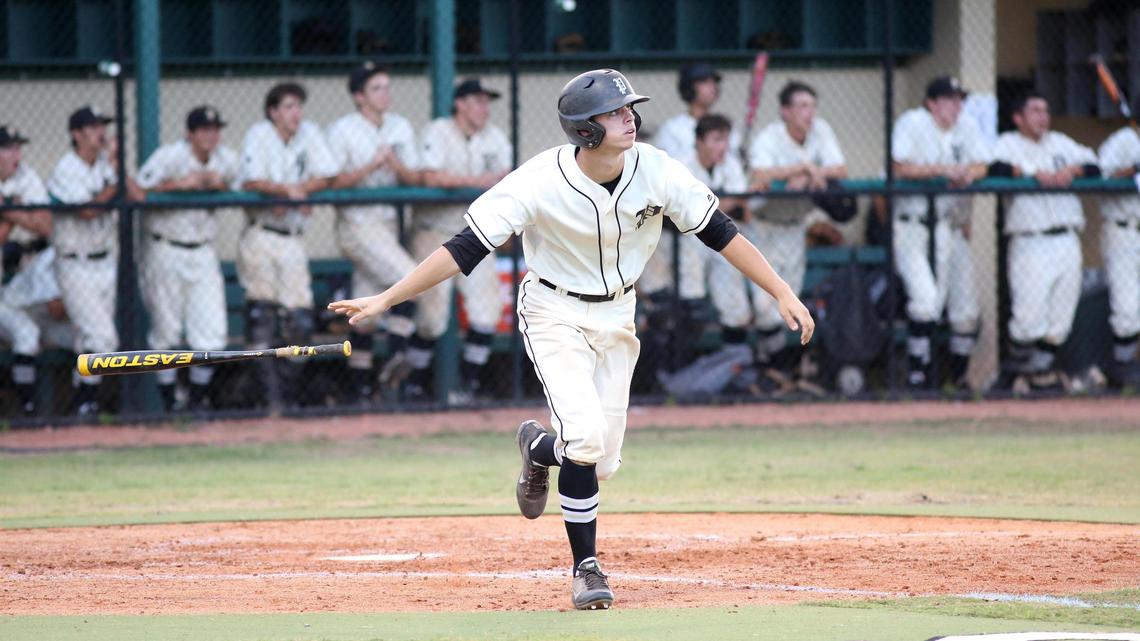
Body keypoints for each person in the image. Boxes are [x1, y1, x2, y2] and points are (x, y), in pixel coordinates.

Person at [327, 69, 814, 611]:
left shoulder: (656, 169)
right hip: (553, 311)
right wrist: (388, 298)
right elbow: (466, 248)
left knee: (599, 460)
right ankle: (586, 568)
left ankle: (539, 448)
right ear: (584, 129)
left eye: (628, 107)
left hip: (618, 314)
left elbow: (720, 231)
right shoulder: (538, 179)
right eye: (612, 111)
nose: (628, 115)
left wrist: (781, 290)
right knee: (582, 438)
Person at [407, 78, 511, 402]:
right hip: (434, 231)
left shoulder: (495, 137)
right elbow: (429, 176)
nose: (485, 108)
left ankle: (466, 388)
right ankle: (412, 386)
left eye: (486, 101)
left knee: (486, 313)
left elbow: (507, 178)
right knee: (431, 319)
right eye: (477, 101)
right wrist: (476, 182)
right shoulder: (439, 131)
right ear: (460, 104)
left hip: (476, 233)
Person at [238, 83, 338, 409]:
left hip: (293, 238)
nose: (297, 113)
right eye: (289, 107)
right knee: (262, 319)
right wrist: (284, 192)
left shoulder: (309, 132)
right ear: (273, 111)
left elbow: (327, 175)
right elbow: (251, 181)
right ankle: (268, 400)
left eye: (298, 106)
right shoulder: (259, 134)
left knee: (301, 323)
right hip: (262, 233)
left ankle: (286, 393)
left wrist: (295, 191)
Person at [990, 93, 1099, 392]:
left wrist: (1071, 171)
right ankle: (1013, 376)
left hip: (1067, 239)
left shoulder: (1061, 143)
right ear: (1018, 118)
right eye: (1035, 110)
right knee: (1028, 319)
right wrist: (1030, 173)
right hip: (1030, 240)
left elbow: (1095, 166)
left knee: (1060, 321)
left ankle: (1033, 378)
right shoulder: (1008, 144)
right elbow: (993, 168)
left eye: (1046, 110)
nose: (1042, 116)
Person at [327, 62, 422, 404]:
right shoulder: (343, 130)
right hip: (357, 224)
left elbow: (415, 178)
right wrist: (371, 164)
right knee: (410, 280)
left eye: (387, 86)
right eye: (377, 88)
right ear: (359, 96)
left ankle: (361, 390)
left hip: (387, 226)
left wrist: (394, 165)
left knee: (363, 311)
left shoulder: (400, 126)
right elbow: (333, 181)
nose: (386, 93)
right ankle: (396, 355)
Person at [136, 106, 240, 412]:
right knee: (166, 332)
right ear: (189, 133)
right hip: (166, 248)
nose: (211, 135)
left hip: (203, 250)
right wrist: (182, 185)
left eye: (215, 128)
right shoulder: (170, 157)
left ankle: (196, 403)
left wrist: (217, 183)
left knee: (211, 331)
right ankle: (169, 406)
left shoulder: (226, 159)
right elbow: (138, 190)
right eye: (204, 129)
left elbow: (245, 182)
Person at [745, 80, 846, 391]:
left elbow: (840, 170)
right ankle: (773, 372)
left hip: (795, 228)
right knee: (764, 309)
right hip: (764, 227)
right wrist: (799, 169)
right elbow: (759, 175)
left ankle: (779, 373)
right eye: (801, 106)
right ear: (785, 111)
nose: (809, 113)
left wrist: (812, 174)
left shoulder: (821, 131)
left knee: (789, 305)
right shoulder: (769, 137)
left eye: (812, 106)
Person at [891, 76, 990, 389]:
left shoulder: (967, 127)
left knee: (964, 310)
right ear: (931, 103)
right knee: (926, 301)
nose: (956, 106)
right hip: (912, 224)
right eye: (949, 99)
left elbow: (982, 165)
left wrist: (966, 174)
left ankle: (958, 378)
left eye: (959, 99)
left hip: (949, 225)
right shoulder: (913, 122)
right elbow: (899, 166)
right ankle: (918, 377)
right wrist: (942, 170)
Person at [47, 106, 144, 416]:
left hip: (105, 262)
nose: (101, 132)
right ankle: (84, 402)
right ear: (77, 134)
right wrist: (113, 185)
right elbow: (87, 210)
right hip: (75, 263)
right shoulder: (66, 168)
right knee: (103, 339)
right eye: (94, 127)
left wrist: (118, 163)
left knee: (87, 339)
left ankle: (81, 405)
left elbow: (138, 196)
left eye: (104, 126)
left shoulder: (106, 164)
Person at [0, 125, 59, 415]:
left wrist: (8, 212)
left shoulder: (26, 177)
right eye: (9, 148)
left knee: (27, 332)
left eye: (18, 147)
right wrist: (21, 215)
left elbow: (46, 226)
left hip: (11, 288)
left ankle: (28, 409)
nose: (17, 155)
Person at [1096, 123, 1140, 388]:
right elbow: (1102, 178)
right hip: (1123, 229)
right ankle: (1123, 369)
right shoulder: (1121, 142)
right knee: (1127, 307)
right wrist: (1134, 169)